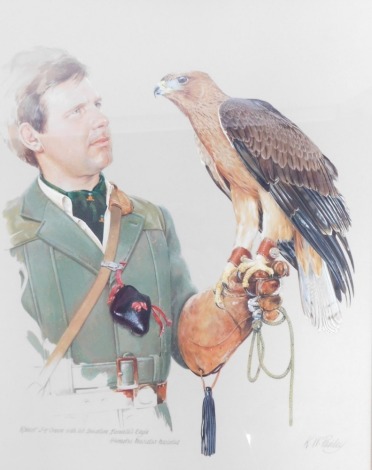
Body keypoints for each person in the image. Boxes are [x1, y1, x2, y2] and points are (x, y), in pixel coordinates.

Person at [0, 47, 282, 432]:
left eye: (97, 104)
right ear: (33, 136)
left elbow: (188, 343)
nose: (101, 120)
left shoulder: (151, 220)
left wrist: (235, 300)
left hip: (151, 435)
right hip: (54, 442)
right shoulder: (11, 232)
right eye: (77, 112)